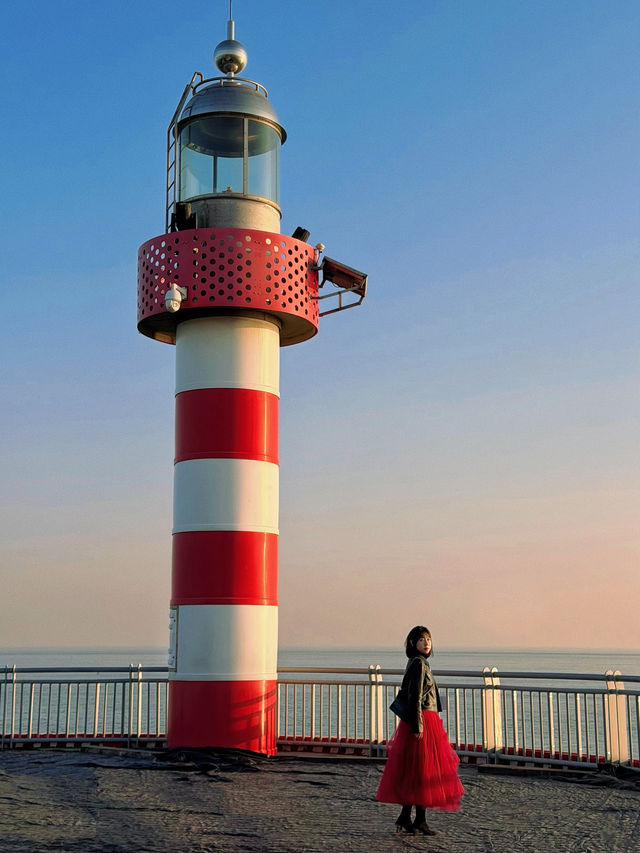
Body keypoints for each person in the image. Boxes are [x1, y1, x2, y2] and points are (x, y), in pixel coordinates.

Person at [376, 625, 465, 835]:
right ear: (413, 643)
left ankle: (409, 817)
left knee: (417, 771)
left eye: (429, 640)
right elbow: (415, 695)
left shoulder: (417, 662)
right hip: (423, 720)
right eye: (422, 640)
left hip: (421, 719)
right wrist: (418, 726)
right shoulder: (419, 664)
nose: (426, 643)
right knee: (423, 770)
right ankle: (417, 820)